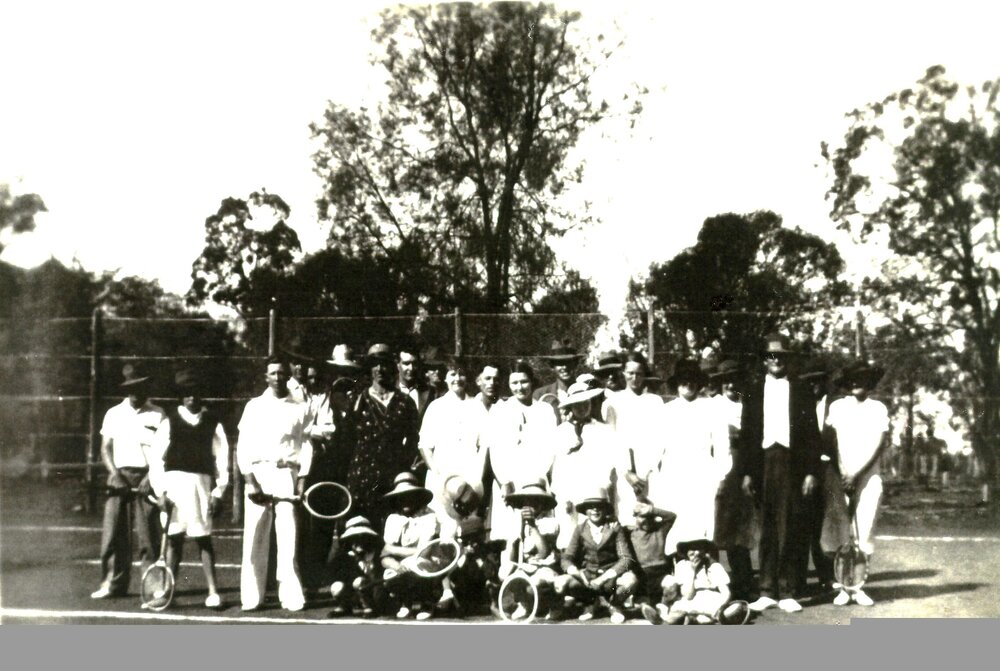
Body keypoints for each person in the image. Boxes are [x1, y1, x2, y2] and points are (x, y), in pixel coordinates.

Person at [741, 333, 822, 614]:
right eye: (771, 356)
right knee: (766, 527)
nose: (776, 360)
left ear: (788, 359)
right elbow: (747, 434)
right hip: (763, 462)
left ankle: (788, 590)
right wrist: (747, 473)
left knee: (790, 525)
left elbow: (812, 434)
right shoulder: (753, 389)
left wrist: (811, 472)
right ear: (765, 360)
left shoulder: (801, 389)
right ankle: (766, 590)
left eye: (781, 356)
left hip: (792, 463)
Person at [236, 356, 313, 612]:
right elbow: (243, 447)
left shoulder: (301, 407)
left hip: (287, 474)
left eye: (281, 373)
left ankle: (290, 595)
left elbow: (307, 446)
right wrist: (250, 481)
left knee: (288, 536)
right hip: (259, 474)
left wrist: (302, 479)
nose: (278, 378)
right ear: (265, 377)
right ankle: (252, 597)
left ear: (288, 375)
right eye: (273, 373)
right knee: (255, 536)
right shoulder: (254, 407)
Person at [151, 369, 229, 609]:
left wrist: (218, 492)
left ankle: (213, 592)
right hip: (174, 487)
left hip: (201, 487)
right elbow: (156, 460)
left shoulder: (213, 423)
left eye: (195, 394)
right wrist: (160, 492)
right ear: (181, 396)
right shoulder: (169, 422)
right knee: (174, 541)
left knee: (203, 540)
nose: (191, 398)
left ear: (201, 396)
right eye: (187, 394)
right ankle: (168, 591)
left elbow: (222, 460)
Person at [91, 364, 166, 600]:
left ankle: (154, 588)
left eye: (140, 387)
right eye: (131, 387)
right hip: (119, 479)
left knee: (149, 538)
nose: (136, 392)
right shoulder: (114, 414)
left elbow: (163, 451)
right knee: (113, 535)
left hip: (147, 478)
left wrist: (151, 476)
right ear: (125, 389)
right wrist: (115, 474)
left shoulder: (158, 414)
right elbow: (105, 448)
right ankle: (112, 584)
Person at [823, 360, 890, 607]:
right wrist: (843, 472)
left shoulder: (878, 408)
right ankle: (843, 586)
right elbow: (830, 442)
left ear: (870, 383)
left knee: (864, 528)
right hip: (840, 476)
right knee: (842, 531)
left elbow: (879, 444)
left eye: (862, 379)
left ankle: (858, 587)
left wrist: (857, 473)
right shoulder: (837, 407)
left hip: (868, 477)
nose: (856, 383)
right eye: (852, 379)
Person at [654, 359, 733, 555]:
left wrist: (721, 476)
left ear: (699, 382)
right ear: (677, 383)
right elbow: (656, 447)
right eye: (683, 380)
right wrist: (653, 473)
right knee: (675, 525)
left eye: (692, 379)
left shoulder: (712, 408)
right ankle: (676, 568)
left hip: (703, 475)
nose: (688, 384)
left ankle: (706, 568)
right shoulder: (666, 410)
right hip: (674, 473)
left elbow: (722, 445)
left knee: (702, 525)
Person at [344, 344, 421, 524]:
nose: (379, 369)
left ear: (392, 367)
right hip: (362, 478)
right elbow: (346, 440)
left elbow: (413, 439)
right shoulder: (357, 401)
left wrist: (403, 464)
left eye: (384, 364)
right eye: (375, 364)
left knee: (392, 525)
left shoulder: (405, 402)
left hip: (393, 478)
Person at [483, 360, 557, 543]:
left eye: (524, 382)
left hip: (537, 480)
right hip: (510, 481)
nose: (520, 387)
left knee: (538, 531)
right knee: (511, 535)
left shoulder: (545, 410)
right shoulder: (500, 410)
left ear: (532, 382)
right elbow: (495, 451)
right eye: (514, 383)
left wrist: (540, 479)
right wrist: (504, 481)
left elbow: (551, 447)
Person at [708, 359, 757, 602]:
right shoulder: (713, 406)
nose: (730, 385)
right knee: (716, 526)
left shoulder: (747, 404)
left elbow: (753, 440)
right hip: (718, 468)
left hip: (742, 468)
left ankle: (743, 581)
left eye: (734, 380)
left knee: (740, 528)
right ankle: (712, 582)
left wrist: (748, 472)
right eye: (726, 381)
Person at [419, 357, 488, 526]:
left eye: (461, 374)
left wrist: (477, 475)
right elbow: (425, 446)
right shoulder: (436, 407)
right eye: (452, 374)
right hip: (441, 477)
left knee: (468, 525)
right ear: (445, 378)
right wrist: (437, 473)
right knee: (442, 525)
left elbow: (484, 445)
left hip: (469, 477)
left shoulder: (477, 407)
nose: (457, 379)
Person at [549, 381, 617, 549]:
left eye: (585, 403)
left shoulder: (603, 431)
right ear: (570, 407)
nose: (581, 408)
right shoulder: (560, 432)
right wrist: (563, 495)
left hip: (594, 493)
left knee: (594, 535)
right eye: (577, 404)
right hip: (569, 494)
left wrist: (602, 492)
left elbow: (608, 465)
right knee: (569, 534)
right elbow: (558, 469)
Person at [556, 489, 638, 623]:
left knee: (630, 581)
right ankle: (590, 603)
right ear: (585, 510)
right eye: (590, 506)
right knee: (562, 582)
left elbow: (626, 558)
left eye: (599, 506)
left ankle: (614, 605)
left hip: (611, 579)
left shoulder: (614, 528)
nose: (595, 510)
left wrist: (604, 578)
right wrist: (576, 573)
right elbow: (567, 557)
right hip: (587, 578)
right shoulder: (580, 529)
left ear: (605, 510)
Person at [603, 352, 664, 527]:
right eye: (630, 373)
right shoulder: (613, 401)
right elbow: (611, 440)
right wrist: (627, 472)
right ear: (623, 373)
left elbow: (660, 438)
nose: (635, 378)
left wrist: (649, 469)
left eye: (639, 373)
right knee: (627, 518)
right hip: (625, 470)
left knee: (651, 518)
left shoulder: (655, 401)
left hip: (650, 470)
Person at [797, 359, 837, 597]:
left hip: (830, 470)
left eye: (817, 381)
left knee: (827, 525)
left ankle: (828, 576)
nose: (813, 386)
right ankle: (799, 579)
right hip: (804, 472)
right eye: (809, 381)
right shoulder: (799, 406)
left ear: (824, 382)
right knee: (804, 524)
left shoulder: (835, 406)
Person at [380, 472, 441, 621]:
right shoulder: (393, 519)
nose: (405, 500)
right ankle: (405, 602)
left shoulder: (429, 517)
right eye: (401, 497)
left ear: (417, 497)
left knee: (417, 565)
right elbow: (384, 556)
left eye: (409, 496)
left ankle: (427, 603)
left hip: (428, 562)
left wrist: (393, 550)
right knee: (390, 573)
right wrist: (395, 565)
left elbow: (424, 552)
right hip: (404, 563)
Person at [498, 481, 562, 620]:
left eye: (535, 501)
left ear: (542, 504)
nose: (530, 504)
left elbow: (543, 552)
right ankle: (525, 604)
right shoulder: (518, 523)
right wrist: (516, 535)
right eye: (526, 501)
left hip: (545, 566)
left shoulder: (550, 523)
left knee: (537, 582)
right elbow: (512, 555)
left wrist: (532, 525)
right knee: (506, 575)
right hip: (527, 566)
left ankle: (555, 605)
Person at [658, 539, 735, 625]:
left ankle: (693, 619)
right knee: (678, 609)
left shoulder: (714, 566)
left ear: (704, 551)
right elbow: (688, 596)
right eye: (692, 549)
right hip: (691, 601)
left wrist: (719, 607)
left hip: (710, 601)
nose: (696, 553)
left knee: (730, 610)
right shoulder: (682, 566)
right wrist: (693, 571)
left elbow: (726, 593)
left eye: (699, 548)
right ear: (686, 551)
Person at [328, 516, 384, 618]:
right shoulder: (345, 557)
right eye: (354, 538)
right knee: (337, 586)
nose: (359, 542)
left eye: (362, 537)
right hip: (354, 591)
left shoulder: (377, 554)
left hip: (374, 590)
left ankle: (369, 607)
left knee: (360, 582)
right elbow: (337, 574)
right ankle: (344, 606)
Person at [628, 501, 677, 609]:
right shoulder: (629, 532)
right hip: (641, 575)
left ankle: (663, 607)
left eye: (649, 517)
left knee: (671, 584)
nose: (646, 520)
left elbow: (672, 516)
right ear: (635, 517)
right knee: (642, 603)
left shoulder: (660, 529)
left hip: (660, 573)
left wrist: (650, 510)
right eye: (642, 517)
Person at [397, 344, 435, 423]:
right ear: (398, 365)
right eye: (406, 363)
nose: (411, 368)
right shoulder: (390, 391)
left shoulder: (430, 392)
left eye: (414, 363)